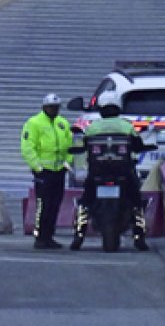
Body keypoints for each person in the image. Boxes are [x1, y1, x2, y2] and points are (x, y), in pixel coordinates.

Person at [71, 102, 149, 251]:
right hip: (124, 172)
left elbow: (83, 145)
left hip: (97, 172)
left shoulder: (93, 126)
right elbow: (138, 144)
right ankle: (139, 237)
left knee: (85, 201)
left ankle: (78, 236)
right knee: (137, 202)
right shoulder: (126, 126)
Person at [20, 94, 74, 249]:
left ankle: (49, 236)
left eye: (56, 107)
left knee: (55, 204)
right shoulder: (34, 123)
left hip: (59, 171)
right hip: (43, 172)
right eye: (51, 107)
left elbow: (69, 146)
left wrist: (67, 163)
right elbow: (27, 147)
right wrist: (37, 167)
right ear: (44, 107)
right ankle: (40, 237)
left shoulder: (62, 123)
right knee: (43, 205)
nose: (54, 110)